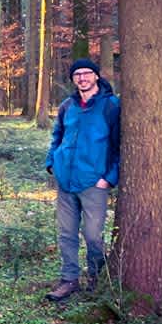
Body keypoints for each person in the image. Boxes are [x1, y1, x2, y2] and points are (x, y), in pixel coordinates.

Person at [44, 58, 121, 302]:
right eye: (77, 74)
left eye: (87, 73)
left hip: (93, 183)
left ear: (96, 76)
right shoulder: (68, 106)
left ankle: (96, 280)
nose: (82, 78)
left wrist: (109, 178)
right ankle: (69, 280)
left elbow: (121, 146)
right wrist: (51, 162)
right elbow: (58, 135)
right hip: (66, 181)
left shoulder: (111, 106)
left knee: (92, 235)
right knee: (66, 234)